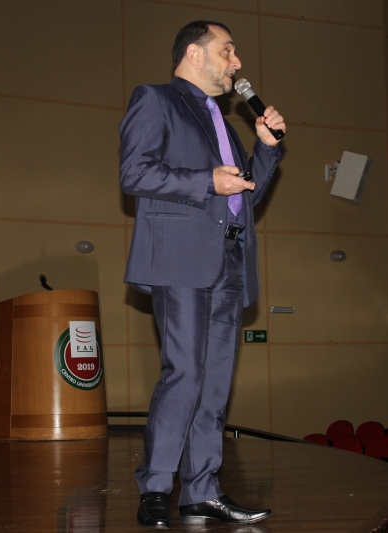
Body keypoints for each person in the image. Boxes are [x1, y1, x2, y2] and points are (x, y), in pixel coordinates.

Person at [119, 20, 285, 529]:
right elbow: (134, 172)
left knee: (214, 384)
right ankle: (155, 487)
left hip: (229, 260)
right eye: (227, 51)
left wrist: (266, 148)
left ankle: (202, 491)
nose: (237, 63)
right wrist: (206, 180)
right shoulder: (156, 100)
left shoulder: (227, 127)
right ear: (195, 54)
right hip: (181, 259)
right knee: (185, 373)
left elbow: (245, 196)